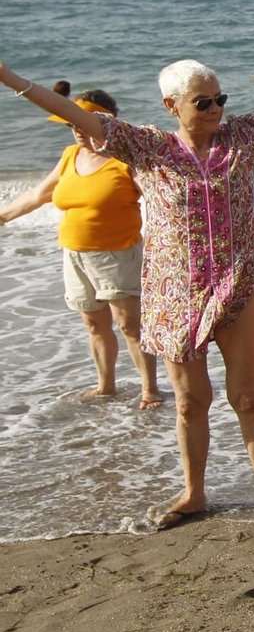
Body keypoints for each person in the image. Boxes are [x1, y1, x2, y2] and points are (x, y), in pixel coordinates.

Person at [0, 10, 254, 529]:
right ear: (171, 106)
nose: (215, 109)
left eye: (220, 99)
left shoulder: (241, 137)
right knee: (187, 401)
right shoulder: (147, 147)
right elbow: (75, 112)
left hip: (241, 283)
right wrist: (10, 78)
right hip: (172, 290)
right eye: (203, 102)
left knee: (248, 395)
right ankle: (193, 493)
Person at [0, 88, 162, 408]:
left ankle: (150, 389)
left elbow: (160, 201)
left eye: (81, 122)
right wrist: (2, 217)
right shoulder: (69, 156)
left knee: (129, 325)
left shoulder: (124, 159)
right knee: (93, 323)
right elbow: (37, 195)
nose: (76, 130)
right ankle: (106, 386)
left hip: (118, 254)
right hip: (73, 254)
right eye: (71, 124)